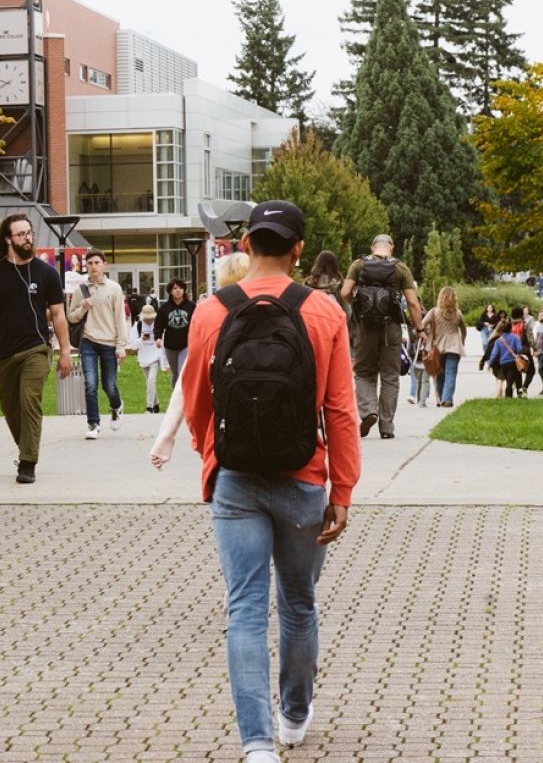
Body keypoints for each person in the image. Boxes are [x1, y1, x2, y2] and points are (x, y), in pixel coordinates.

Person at [180, 199, 361, 763]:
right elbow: (340, 411)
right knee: (300, 605)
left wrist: (212, 455)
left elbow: (195, 406)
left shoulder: (211, 311)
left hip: (235, 480)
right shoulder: (324, 311)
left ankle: (256, 743)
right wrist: (343, 489)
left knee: (245, 610)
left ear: (246, 244)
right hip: (304, 478)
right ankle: (294, 715)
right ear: (299, 249)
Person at [0, 214, 73, 484]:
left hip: (36, 348)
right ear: (8, 239)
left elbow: (59, 315)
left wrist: (64, 351)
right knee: (10, 408)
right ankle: (26, 447)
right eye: (21, 234)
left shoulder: (46, 272)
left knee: (29, 402)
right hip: (4, 353)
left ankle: (28, 462)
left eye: (29, 233)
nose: (28, 238)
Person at [149, 250, 249, 469]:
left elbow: (190, 382)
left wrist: (169, 437)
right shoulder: (285, 307)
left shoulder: (208, 312)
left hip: (227, 432)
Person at [341, 233, 423, 440]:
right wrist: (419, 328)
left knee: (364, 372)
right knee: (390, 376)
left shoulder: (358, 264)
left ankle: (369, 411)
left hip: (364, 327)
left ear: (372, 247)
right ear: (392, 247)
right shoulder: (400, 267)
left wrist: (357, 306)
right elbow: (413, 302)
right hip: (391, 328)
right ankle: (387, 426)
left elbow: (344, 292)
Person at [66, 248, 132, 438]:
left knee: (109, 385)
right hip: (88, 341)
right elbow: (71, 317)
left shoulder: (114, 288)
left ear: (104, 265)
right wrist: (83, 308)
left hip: (109, 342)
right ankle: (93, 424)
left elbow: (120, 318)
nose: (93, 267)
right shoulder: (80, 290)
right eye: (90, 263)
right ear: (86, 266)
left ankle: (116, 406)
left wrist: (121, 346)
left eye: (97, 263)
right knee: (90, 384)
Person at [421, 286, 467, 407]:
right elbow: (464, 329)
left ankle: (442, 398)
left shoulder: (433, 312)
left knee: (439, 373)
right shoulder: (458, 313)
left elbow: (422, 326)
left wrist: (427, 336)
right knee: (450, 373)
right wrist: (462, 341)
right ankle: (447, 399)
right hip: (454, 346)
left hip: (437, 347)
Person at [154, 279, 197, 390]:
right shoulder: (164, 308)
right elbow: (158, 325)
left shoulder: (191, 306)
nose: (178, 290)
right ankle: (175, 398)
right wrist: (158, 338)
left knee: (181, 370)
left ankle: (184, 396)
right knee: (175, 373)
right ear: (170, 291)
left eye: (180, 288)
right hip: (170, 346)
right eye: (175, 288)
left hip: (186, 344)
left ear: (184, 290)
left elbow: (197, 323)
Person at [481, 317, 523, 398]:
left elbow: (494, 354)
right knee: (512, 381)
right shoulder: (516, 337)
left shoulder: (499, 340)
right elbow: (519, 349)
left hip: (503, 363)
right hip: (513, 362)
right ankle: (511, 397)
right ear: (511, 328)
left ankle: (509, 397)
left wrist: (489, 365)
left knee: (508, 381)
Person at [303, 250, 348, 319]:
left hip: (310, 322)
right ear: (335, 265)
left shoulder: (308, 282)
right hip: (332, 323)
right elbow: (348, 311)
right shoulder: (339, 283)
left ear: (317, 263)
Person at [135, 303, 163, 413]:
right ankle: (156, 404)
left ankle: (149, 407)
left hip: (155, 356)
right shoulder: (138, 325)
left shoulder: (157, 325)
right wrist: (141, 339)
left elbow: (162, 339)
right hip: (143, 357)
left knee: (151, 379)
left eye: (150, 318)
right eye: (147, 319)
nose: (149, 321)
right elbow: (133, 344)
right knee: (149, 383)